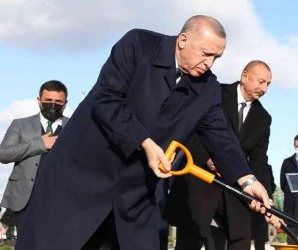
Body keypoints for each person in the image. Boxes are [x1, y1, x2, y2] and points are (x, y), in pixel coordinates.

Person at [16, 16, 271, 250]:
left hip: (134, 195)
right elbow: (106, 100)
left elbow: (221, 137)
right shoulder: (138, 45)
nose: (210, 63)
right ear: (183, 40)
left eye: (217, 57)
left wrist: (248, 180)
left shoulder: (207, 89)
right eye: (206, 54)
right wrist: (145, 143)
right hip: (79, 179)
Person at [165, 59, 274, 250]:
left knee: (241, 239)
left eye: (268, 84)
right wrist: (207, 158)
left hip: (233, 189)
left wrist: (265, 196)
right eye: (261, 81)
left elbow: (259, 161)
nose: (264, 88)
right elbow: (190, 130)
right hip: (199, 182)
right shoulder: (215, 93)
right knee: (190, 240)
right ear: (244, 76)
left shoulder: (263, 118)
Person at [0, 80, 70, 234]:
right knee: (25, 242)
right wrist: (40, 143)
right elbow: (3, 154)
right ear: (39, 100)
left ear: (65, 103)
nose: (53, 105)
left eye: (58, 101)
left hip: (62, 199)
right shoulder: (20, 125)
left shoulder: (74, 126)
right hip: (24, 200)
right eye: (48, 100)